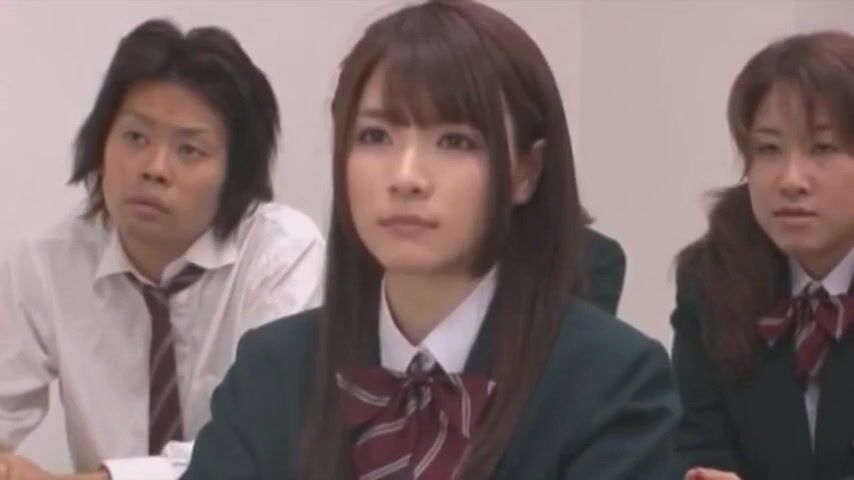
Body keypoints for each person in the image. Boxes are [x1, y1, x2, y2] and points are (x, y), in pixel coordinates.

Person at [183, 1, 679, 478]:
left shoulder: (613, 383)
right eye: (375, 136)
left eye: (455, 141)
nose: (406, 177)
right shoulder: (272, 370)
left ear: (526, 171)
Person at [0, 19, 325, 480]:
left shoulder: (281, 255)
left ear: (235, 172)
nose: (153, 168)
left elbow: (261, 451)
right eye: (135, 137)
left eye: (189, 150)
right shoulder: (47, 262)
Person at [673, 31, 854, 480]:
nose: (791, 180)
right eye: (768, 149)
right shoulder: (712, 277)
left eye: (823, 148)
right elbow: (696, 445)